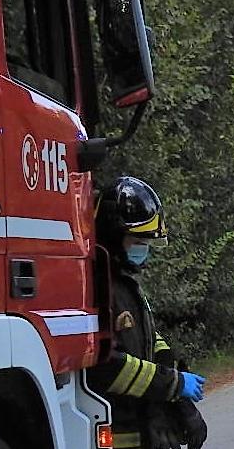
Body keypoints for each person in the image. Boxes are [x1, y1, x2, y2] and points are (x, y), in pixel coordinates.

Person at [88, 177, 208, 449]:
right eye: (138, 241)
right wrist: (174, 384)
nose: (144, 250)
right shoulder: (97, 288)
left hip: (147, 428)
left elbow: (154, 345)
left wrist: (180, 402)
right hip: (120, 432)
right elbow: (106, 366)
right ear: (113, 235)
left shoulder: (126, 285)